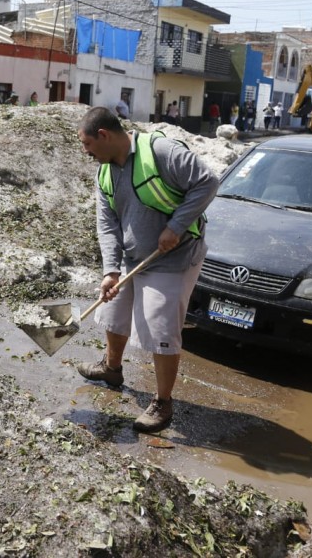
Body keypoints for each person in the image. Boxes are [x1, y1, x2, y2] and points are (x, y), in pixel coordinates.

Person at [75, 107, 218, 432]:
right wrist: (110, 271)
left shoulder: (162, 152)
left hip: (174, 256)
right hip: (131, 255)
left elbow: (207, 182)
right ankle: (112, 368)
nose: (87, 153)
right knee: (113, 312)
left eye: (88, 146)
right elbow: (107, 224)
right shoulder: (105, 173)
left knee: (159, 328)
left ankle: (163, 403)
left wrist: (177, 226)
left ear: (104, 136)